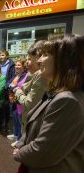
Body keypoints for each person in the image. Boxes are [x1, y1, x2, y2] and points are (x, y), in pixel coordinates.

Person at [13, 34, 84, 173]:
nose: (39, 60)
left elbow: (44, 150)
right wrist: (22, 143)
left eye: (45, 55)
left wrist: (18, 153)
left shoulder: (68, 101)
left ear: (63, 60)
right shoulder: (57, 92)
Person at [14, 41, 48, 133]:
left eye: (30, 59)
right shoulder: (33, 74)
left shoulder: (41, 75)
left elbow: (30, 102)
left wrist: (18, 91)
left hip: (33, 121)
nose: (27, 62)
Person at [6, 58, 27, 144]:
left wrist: (12, 87)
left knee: (20, 121)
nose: (17, 67)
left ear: (23, 67)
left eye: (19, 65)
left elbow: (21, 88)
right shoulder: (15, 75)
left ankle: (19, 139)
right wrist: (11, 86)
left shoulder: (25, 76)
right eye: (16, 65)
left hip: (19, 102)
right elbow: (7, 84)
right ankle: (15, 134)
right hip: (13, 101)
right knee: (15, 119)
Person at [0, 50, 16, 133]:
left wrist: (6, 85)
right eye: (0, 55)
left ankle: (6, 125)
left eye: (2, 55)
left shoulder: (11, 65)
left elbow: (13, 76)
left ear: (7, 56)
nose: (0, 57)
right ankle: (1, 124)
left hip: (7, 89)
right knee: (1, 107)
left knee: (7, 107)